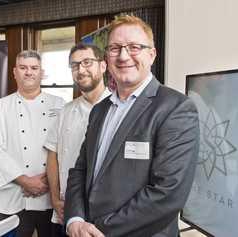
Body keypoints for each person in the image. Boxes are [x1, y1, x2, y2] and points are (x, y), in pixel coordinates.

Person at [64, 15, 200, 237]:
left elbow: (167, 193)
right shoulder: (100, 110)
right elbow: (81, 170)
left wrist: (100, 229)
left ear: (152, 54)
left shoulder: (176, 108)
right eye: (115, 48)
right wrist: (75, 219)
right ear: (106, 57)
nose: (123, 56)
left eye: (135, 47)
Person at [0, 50, 65, 237]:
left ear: (41, 72)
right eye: (23, 68)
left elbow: (67, 147)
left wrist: (46, 180)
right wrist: (25, 181)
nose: (29, 72)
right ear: (14, 72)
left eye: (34, 68)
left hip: (49, 196)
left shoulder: (59, 104)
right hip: (12, 197)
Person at [44, 43, 110, 236]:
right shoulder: (65, 111)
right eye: (74, 65)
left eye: (87, 62)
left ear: (103, 66)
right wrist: (55, 199)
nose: (81, 70)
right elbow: (52, 156)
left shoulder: (117, 108)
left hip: (103, 214)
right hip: (66, 210)